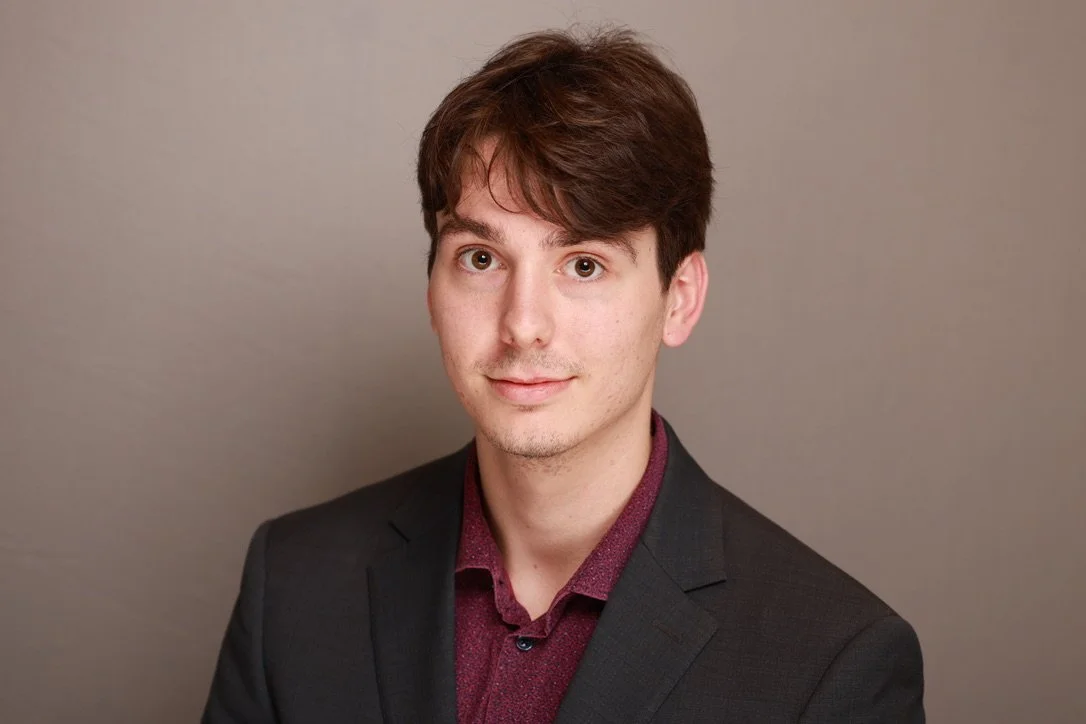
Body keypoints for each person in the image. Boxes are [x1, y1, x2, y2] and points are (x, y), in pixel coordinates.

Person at [202, 28, 925, 724]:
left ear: (680, 299)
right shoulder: (292, 584)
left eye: (584, 265)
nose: (523, 324)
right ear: (431, 291)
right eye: (481, 259)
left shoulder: (832, 661)